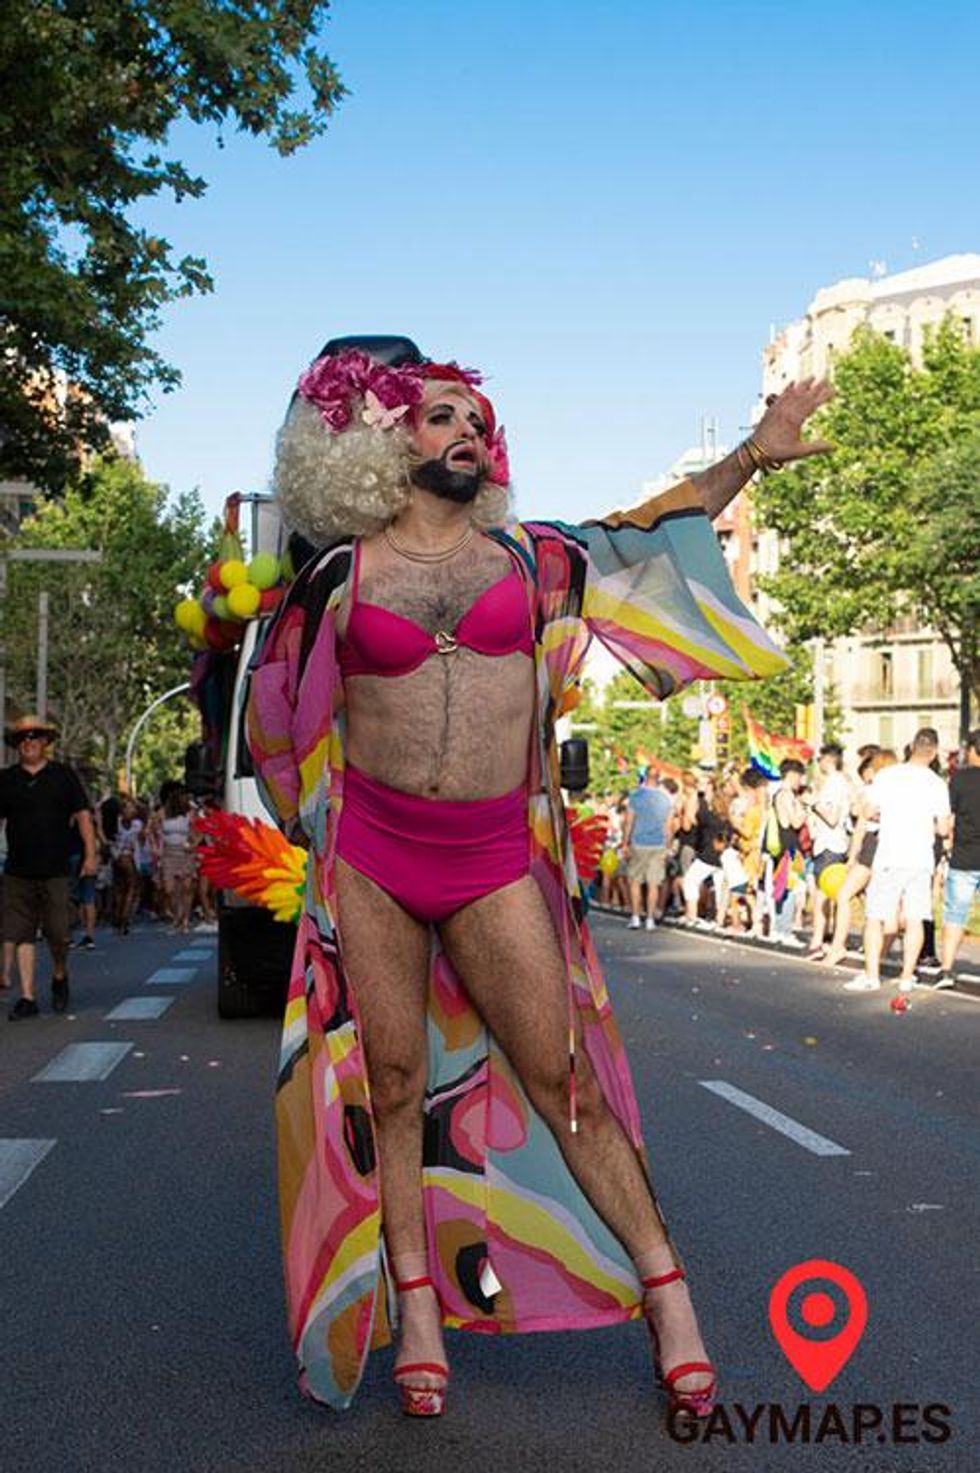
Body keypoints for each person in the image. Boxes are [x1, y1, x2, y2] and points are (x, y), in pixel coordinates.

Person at [246, 340, 830, 1419]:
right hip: (374, 856)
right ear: (383, 441)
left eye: (474, 418)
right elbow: (274, 717)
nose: (464, 430)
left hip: (488, 860)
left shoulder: (528, 560)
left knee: (563, 1082)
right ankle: (416, 1309)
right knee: (391, 1086)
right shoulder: (337, 575)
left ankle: (665, 1294)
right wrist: (305, 833)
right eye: (435, 416)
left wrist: (755, 450)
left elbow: (650, 524)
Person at [0, 714, 96, 1017]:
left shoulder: (63, 776)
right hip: (18, 869)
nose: (28, 743)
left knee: (59, 933)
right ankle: (27, 997)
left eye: (34, 737)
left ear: (45, 743)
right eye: (22, 739)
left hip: (56, 868)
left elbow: (83, 816)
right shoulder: (6, 780)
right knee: (19, 933)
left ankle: (59, 973)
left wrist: (90, 855)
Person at [844, 729, 951, 993]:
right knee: (915, 918)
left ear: (912, 746)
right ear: (934, 752)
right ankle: (906, 977)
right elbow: (943, 829)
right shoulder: (937, 783)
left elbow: (867, 811)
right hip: (921, 859)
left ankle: (871, 975)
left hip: (889, 854)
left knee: (875, 917)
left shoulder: (887, 776)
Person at [823, 748, 896, 969]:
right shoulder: (901, 792)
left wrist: (852, 857)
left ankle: (838, 947)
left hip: (872, 846)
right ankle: (881, 952)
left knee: (845, 894)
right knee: (887, 904)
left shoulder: (873, 791)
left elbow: (861, 827)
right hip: (895, 848)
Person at [936, 729, 980, 989]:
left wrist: (946, 848)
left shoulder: (959, 780)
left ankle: (946, 970)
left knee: (955, 916)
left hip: (964, 858)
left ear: (973, 750)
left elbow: (948, 821)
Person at [804, 742, 850, 958]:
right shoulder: (840, 782)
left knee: (822, 894)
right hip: (832, 844)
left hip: (829, 844)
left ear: (827, 759)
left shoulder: (834, 783)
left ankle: (818, 940)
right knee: (828, 894)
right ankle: (826, 938)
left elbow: (831, 817)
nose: (818, 764)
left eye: (819, 759)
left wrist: (813, 804)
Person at [622, 769, 674, 930]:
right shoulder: (666, 799)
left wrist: (625, 843)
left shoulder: (636, 796)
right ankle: (650, 919)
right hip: (658, 844)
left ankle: (636, 916)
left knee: (635, 881)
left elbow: (629, 822)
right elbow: (669, 826)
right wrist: (669, 846)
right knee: (654, 883)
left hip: (639, 842)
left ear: (645, 777)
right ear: (659, 778)